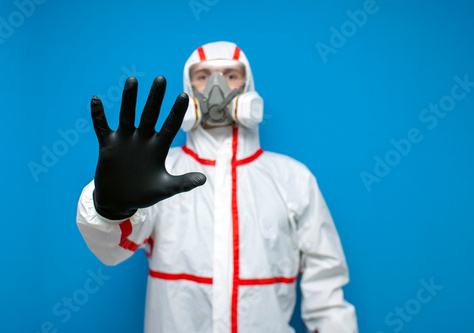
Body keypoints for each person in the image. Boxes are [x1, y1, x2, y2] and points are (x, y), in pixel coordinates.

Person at [77, 41, 358, 333]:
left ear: (248, 86)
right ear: (189, 86)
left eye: (230, 74)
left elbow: (326, 287)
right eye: (203, 76)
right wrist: (110, 207)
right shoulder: (160, 176)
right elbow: (111, 249)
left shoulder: (293, 179)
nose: (216, 86)